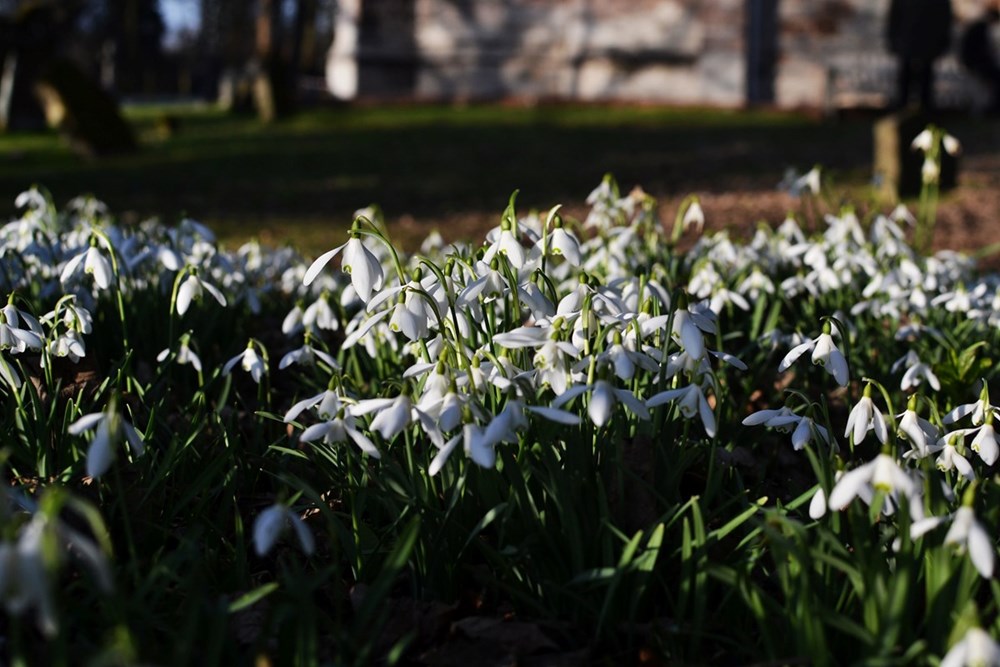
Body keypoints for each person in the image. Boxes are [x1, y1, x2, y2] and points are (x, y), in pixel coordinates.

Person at [887, 0, 954, 111]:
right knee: (910, 76)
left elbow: (944, 19)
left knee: (921, 78)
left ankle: (918, 110)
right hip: (914, 41)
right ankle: (911, 110)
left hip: (920, 41)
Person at [960, 6, 1000, 110]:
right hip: (974, 62)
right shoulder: (982, 28)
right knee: (996, 78)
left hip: (972, 61)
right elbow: (983, 51)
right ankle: (994, 106)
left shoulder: (979, 26)